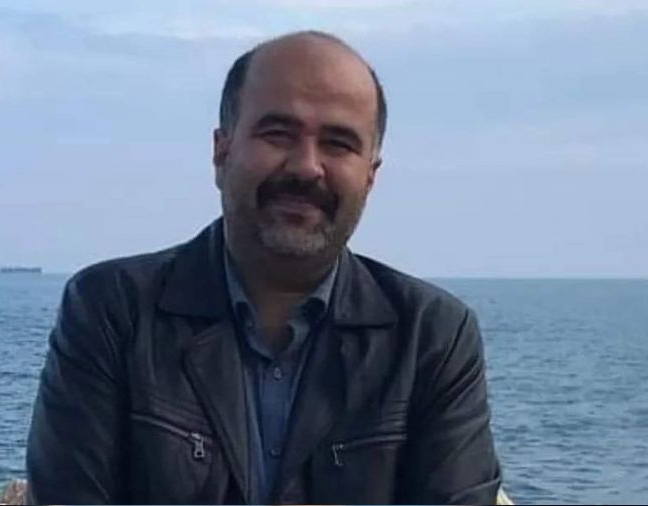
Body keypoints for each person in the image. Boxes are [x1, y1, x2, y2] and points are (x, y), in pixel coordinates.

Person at [25, 30, 502, 505]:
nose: (307, 167)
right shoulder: (113, 312)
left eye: (338, 143)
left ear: (370, 176)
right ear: (222, 151)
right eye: (278, 134)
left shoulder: (431, 337)